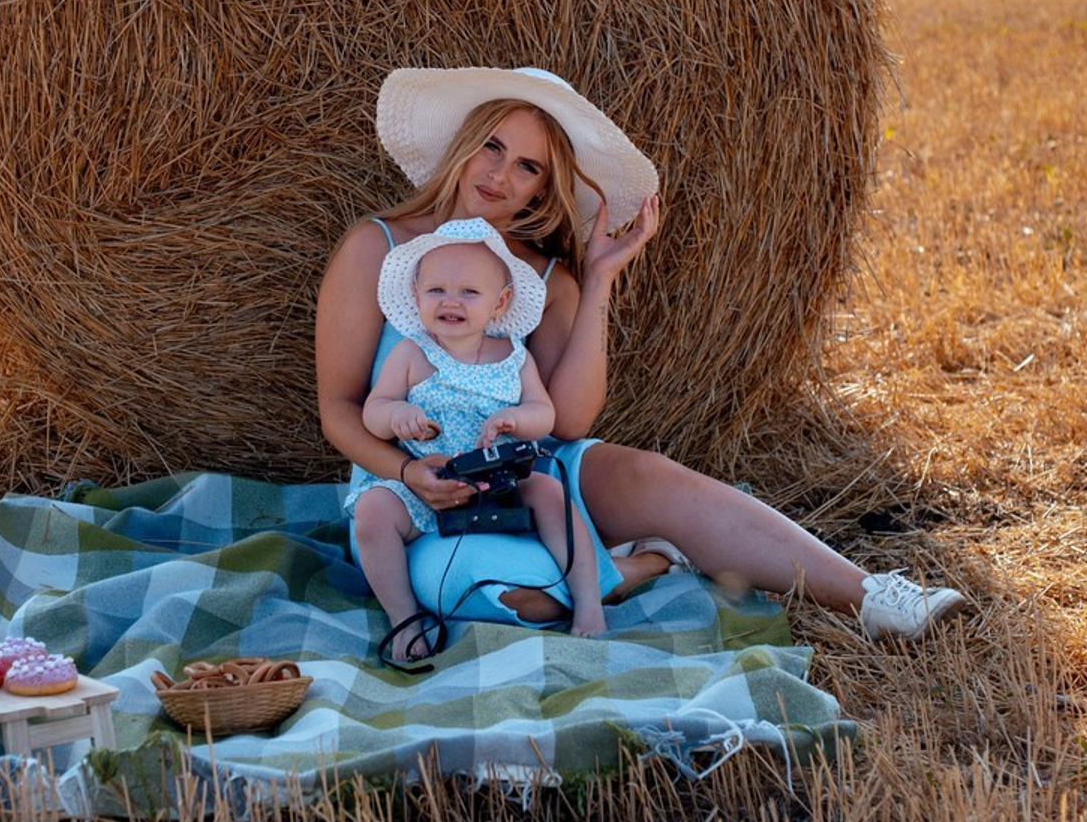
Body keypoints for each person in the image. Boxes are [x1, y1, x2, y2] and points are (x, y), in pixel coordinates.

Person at [315, 65, 967, 645]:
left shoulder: (542, 279)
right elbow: (340, 409)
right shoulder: (377, 249)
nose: (499, 174)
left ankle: (872, 594)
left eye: (528, 167)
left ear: (542, 192)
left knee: (650, 475)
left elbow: (569, 423)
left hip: (521, 471)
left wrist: (597, 280)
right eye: (492, 146)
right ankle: (641, 563)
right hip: (406, 495)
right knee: (511, 601)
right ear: (462, 145)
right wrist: (408, 476)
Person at [348, 217, 608, 662]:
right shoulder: (411, 353)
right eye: (436, 291)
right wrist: (399, 415)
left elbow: (545, 414)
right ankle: (404, 620)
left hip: (500, 482)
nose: (452, 301)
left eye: (469, 292)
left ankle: (590, 602)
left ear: (499, 302)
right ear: (416, 296)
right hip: (427, 485)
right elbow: (373, 410)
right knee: (372, 511)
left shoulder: (513, 357)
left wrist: (515, 419)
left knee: (548, 491)